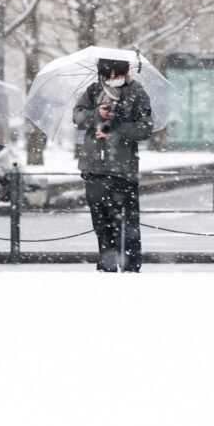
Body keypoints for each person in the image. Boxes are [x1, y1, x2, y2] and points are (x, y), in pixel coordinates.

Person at [72, 57, 154, 272]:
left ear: (125, 72)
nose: (112, 79)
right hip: (94, 167)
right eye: (108, 75)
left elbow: (145, 128)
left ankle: (130, 266)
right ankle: (107, 263)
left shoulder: (136, 92)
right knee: (101, 221)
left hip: (123, 169)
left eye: (117, 75)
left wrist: (116, 128)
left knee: (128, 222)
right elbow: (78, 117)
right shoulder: (93, 90)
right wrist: (95, 115)